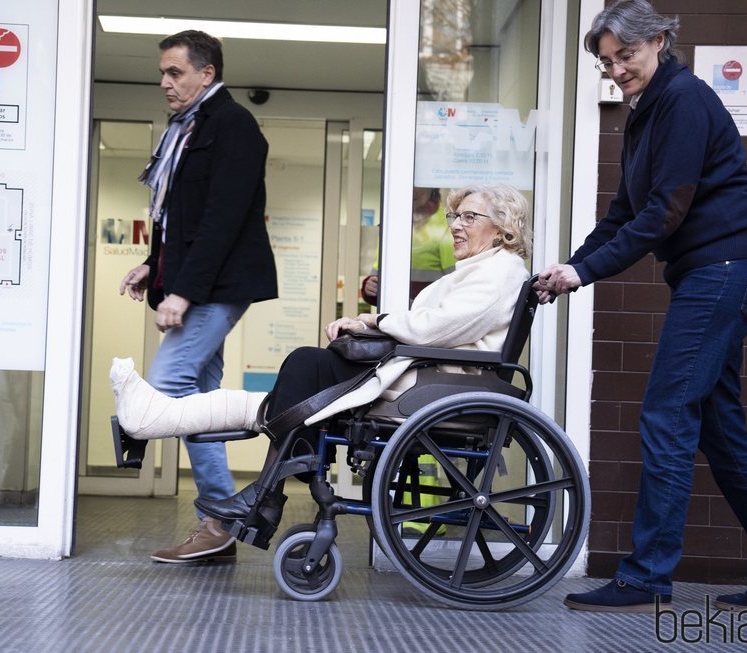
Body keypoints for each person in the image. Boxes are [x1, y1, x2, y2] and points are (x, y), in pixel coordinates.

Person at [536, 0, 747, 613]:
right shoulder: (647, 111)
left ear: (659, 40)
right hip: (716, 272)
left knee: (667, 414)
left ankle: (646, 577)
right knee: (719, 429)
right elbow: (623, 213)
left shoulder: (684, 100)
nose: (617, 70)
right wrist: (569, 267)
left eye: (627, 55)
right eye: (608, 62)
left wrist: (585, 273)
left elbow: (665, 212)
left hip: (727, 268)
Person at [111, 183, 532, 535]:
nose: (456, 225)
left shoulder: (501, 271)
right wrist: (369, 325)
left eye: (469, 217)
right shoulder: (483, 268)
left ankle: (256, 490)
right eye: (454, 217)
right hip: (427, 371)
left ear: (502, 229)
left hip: (435, 380)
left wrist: (376, 321)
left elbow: (438, 328)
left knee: (304, 366)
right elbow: (435, 325)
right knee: (301, 376)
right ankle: (252, 485)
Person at [118, 30, 277, 565]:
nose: (165, 82)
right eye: (162, 73)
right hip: (197, 281)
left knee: (167, 388)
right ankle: (217, 529)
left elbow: (222, 219)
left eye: (175, 72)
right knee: (199, 398)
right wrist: (151, 265)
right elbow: (176, 215)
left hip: (219, 284)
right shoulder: (184, 129)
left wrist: (183, 291)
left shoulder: (234, 126)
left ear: (206, 73)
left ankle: (221, 515)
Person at [361, 187, 455, 305]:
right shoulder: (392, 221)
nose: (413, 190)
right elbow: (377, 281)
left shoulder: (447, 222)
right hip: (394, 315)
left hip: (427, 317)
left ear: (431, 189)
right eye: (410, 185)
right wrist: (369, 287)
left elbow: (456, 284)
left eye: (419, 185)